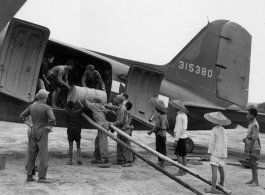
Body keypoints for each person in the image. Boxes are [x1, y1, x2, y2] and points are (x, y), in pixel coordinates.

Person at [19, 89, 56, 183]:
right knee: (43, 154)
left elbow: (21, 116)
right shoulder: (47, 107)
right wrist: (50, 126)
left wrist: (29, 124)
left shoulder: (32, 106)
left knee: (32, 153)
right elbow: (52, 118)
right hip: (42, 130)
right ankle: (42, 177)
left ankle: (29, 176)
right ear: (45, 97)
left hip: (33, 129)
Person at [204, 111, 231, 194]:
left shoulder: (214, 130)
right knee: (221, 168)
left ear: (214, 121)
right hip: (222, 153)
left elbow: (211, 143)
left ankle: (213, 188)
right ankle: (222, 183)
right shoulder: (224, 130)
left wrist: (209, 153)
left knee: (214, 170)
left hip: (215, 152)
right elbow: (225, 142)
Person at [106, 95, 133, 167]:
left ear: (117, 101)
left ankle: (129, 161)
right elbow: (115, 108)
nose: (114, 101)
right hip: (121, 129)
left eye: (115, 100)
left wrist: (112, 124)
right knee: (120, 145)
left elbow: (120, 121)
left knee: (126, 145)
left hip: (124, 129)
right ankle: (120, 160)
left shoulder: (122, 109)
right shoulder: (120, 107)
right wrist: (107, 106)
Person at [85, 95, 110, 168]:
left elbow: (87, 103)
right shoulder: (102, 106)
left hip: (102, 126)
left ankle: (105, 160)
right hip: (103, 125)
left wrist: (86, 97)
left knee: (103, 143)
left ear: (95, 101)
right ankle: (98, 157)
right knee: (98, 141)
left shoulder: (94, 105)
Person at [147, 98, 168, 168]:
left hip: (159, 134)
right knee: (163, 148)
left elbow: (157, 126)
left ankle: (162, 164)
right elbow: (167, 125)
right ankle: (162, 162)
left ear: (157, 107)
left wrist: (151, 131)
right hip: (164, 133)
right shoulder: (165, 115)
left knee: (159, 149)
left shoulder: (157, 115)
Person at [244, 108, 261, 186]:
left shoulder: (255, 125)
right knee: (251, 163)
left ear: (252, 115)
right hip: (251, 146)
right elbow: (251, 135)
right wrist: (246, 139)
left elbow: (254, 138)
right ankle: (253, 179)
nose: (247, 115)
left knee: (253, 164)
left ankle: (256, 181)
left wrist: (249, 147)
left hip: (254, 147)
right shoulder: (250, 123)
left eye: (248, 114)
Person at [170, 100, 188, 176]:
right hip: (184, 136)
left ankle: (180, 170)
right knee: (184, 154)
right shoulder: (184, 115)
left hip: (180, 137)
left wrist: (176, 140)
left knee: (179, 154)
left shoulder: (179, 116)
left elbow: (179, 129)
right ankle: (185, 170)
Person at [65, 100, 84, 165]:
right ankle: (79, 159)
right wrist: (80, 102)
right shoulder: (77, 112)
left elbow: (67, 109)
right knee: (78, 146)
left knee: (70, 146)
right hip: (77, 130)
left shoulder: (67, 112)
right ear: (74, 106)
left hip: (70, 130)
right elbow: (83, 108)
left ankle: (70, 161)